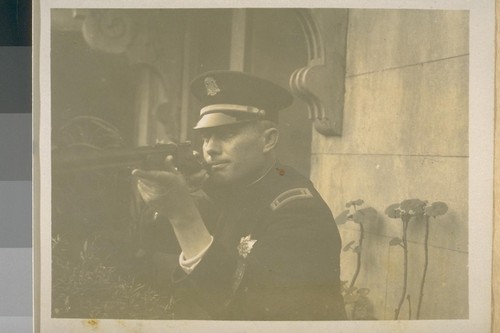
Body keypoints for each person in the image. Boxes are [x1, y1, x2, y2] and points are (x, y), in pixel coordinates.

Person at [132, 70, 346, 320]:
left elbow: (254, 308)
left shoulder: (298, 210)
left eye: (227, 134)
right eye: (206, 137)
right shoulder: (227, 187)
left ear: (268, 139)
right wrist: (166, 198)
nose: (210, 148)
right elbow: (152, 242)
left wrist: (184, 216)